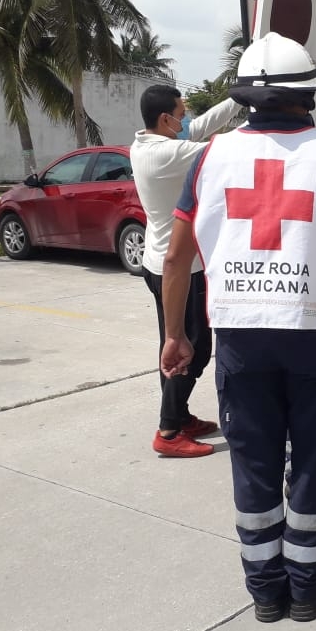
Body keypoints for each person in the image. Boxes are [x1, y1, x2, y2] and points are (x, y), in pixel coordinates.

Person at [158, 32, 316, 623]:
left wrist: (174, 334)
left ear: (246, 95)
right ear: (307, 94)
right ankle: (308, 586)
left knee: (253, 457)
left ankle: (266, 590)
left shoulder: (210, 155)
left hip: (240, 334)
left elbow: (175, 257)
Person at [132, 85, 243, 458]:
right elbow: (227, 148)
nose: (187, 120)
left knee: (174, 342)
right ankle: (168, 430)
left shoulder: (148, 143)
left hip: (163, 263)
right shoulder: (169, 154)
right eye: (182, 113)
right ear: (165, 120)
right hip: (180, 269)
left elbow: (204, 125)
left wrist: (241, 96)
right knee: (188, 350)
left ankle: (179, 415)